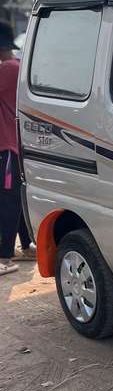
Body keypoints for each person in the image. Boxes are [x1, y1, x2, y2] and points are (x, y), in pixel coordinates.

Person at [0, 20, 34, 275]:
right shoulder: (15, 67)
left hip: (8, 145)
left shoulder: (8, 69)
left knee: (9, 200)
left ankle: (4, 256)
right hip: (13, 143)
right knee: (16, 196)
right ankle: (26, 244)